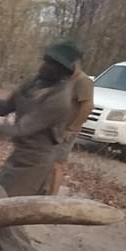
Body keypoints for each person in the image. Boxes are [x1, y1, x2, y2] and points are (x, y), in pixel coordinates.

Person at [0, 40, 78, 197]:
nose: (44, 66)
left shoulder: (59, 100)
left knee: (6, 205)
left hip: (35, 161)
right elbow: (5, 107)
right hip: (19, 153)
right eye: (45, 61)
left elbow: (21, 129)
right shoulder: (34, 82)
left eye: (51, 64)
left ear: (61, 72)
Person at [49, 56, 94, 195]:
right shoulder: (66, 79)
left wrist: (72, 128)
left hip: (67, 129)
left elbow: (88, 106)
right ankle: (43, 191)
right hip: (54, 127)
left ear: (76, 63)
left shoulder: (83, 81)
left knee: (57, 163)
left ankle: (52, 197)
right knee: (46, 161)